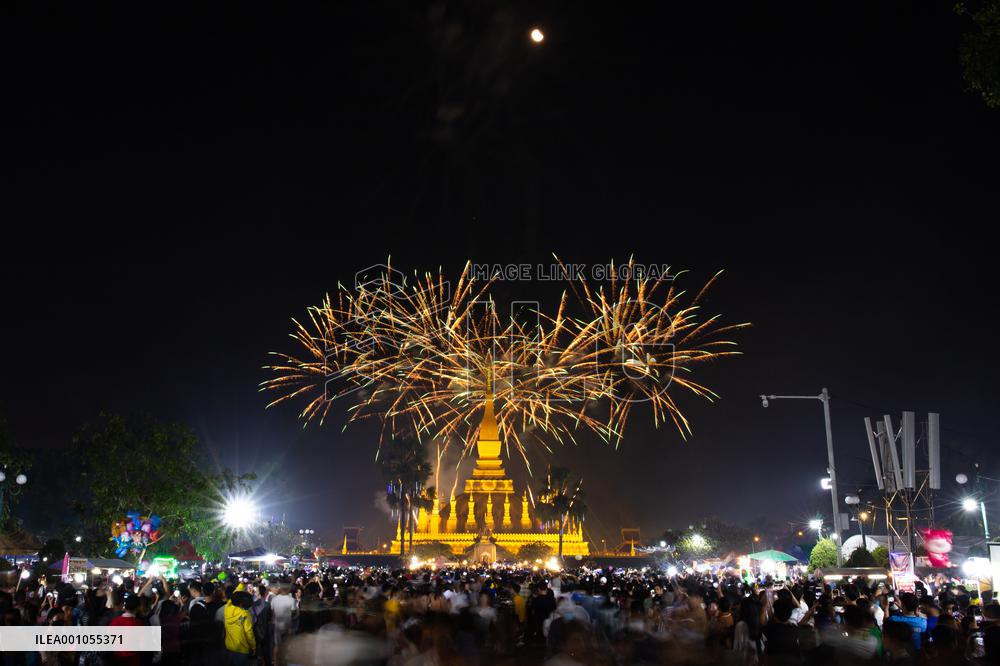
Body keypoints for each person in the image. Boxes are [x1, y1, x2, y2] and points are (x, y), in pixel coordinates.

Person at [108, 594, 144, 666]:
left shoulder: (114, 621)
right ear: (138, 607)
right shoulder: (138, 623)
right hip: (133, 660)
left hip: (116, 659)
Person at [223, 588, 256, 665]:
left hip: (229, 647)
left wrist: (241, 585)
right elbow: (249, 632)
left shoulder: (227, 608)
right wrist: (253, 646)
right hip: (242, 648)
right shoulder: (244, 613)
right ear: (241, 603)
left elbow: (233, 596)